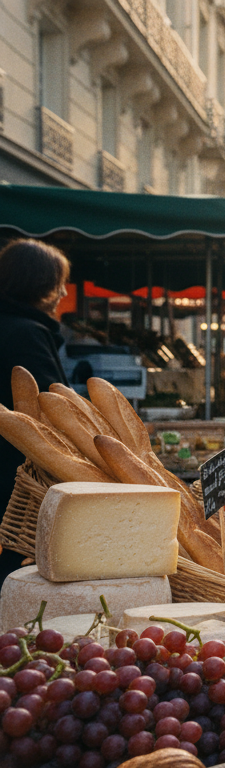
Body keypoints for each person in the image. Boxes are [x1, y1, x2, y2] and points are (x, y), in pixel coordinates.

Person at [0, 239, 71, 580]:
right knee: (15, 570)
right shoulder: (27, 333)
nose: (64, 294)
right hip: (16, 476)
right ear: (40, 284)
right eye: (59, 284)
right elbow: (51, 410)